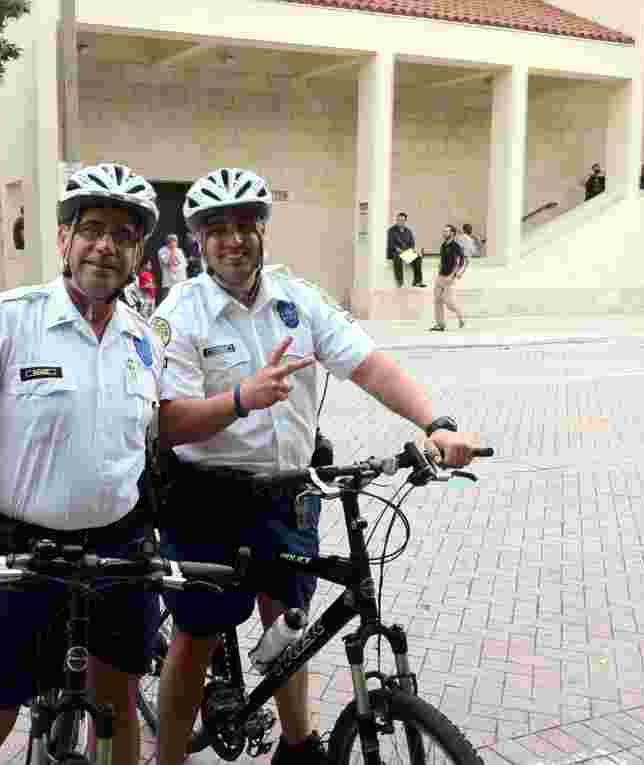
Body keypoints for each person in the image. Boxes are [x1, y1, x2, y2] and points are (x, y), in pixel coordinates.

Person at [150, 167, 481, 765]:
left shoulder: (297, 300)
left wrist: (435, 424)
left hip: (288, 491)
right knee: (195, 640)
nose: (234, 239)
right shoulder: (182, 312)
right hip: (205, 498)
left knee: (290, 625)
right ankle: (168, 757)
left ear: (262, 231)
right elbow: (167, 422)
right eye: (218, 228)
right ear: (198, 239)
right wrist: (239, 401)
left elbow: (370, 366)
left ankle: (298, 746)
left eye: (246, 225)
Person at [0, 162, 164, 765]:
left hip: (119, 556)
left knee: (118, 709)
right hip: (23, 556)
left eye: (124, 235)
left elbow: (153, 440)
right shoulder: (6, 319)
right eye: (92, 227)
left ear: (138, 252)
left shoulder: (145, 339)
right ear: (64, 238)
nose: (106, 245)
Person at [430, 224, 466, 332]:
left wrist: (452, 276)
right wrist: (440, 266)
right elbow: (442, 259)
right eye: (444, 231)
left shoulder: (455, 246)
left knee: (448, 302)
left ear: (452, 233)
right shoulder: (443, 245)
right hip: (440, 276)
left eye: (447, 231)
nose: (444, 233)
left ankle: (460, 315)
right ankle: (440, 324)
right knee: (437, 300)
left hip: (449, 277)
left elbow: (459, 262)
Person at [387, 212, 425, 288]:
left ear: (405, 221)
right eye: (399, 220)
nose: (400, 222)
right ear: (396, 220)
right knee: (398, 257)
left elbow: (412, 243)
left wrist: (412, 251)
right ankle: (400, 282)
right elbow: (391, 244)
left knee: (418, 258)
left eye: (402, 220)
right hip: (395, 252)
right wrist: (400, 251)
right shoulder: (391, 230)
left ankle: (417, 281)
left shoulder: (408, 231)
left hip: (406, 252)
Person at [159, 233, 189, 302]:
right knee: (167, 302)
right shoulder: (162, 251)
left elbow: (184, 265)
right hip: (169, 283)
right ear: (169, 242)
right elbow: (169, 262)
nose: (176, 243)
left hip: (180, 281)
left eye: (176, 241)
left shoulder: (179, 251)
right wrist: (172, 250)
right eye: (174, 241)